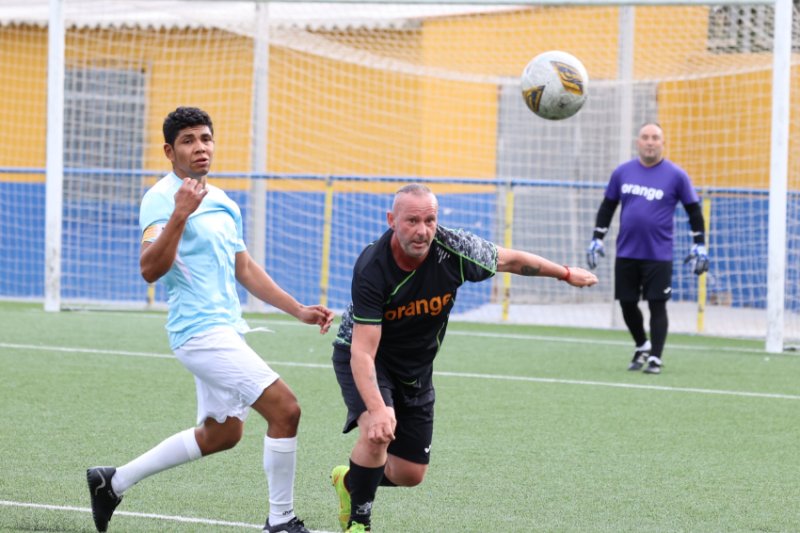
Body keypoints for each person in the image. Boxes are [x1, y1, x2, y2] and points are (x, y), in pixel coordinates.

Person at [86, 106, 335, 533]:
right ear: (169, 151)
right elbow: (149, 269)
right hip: (198, 334)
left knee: (223, 434)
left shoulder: (222, 201)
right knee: (286, 410)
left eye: (205, 138)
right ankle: (281, 521)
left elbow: (246, 269)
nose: (200, 147)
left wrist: (298, 309)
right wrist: (180, 213)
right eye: (188, 141)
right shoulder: (161, 199)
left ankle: (113, 481)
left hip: (226, 329)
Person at [328, 183, 598, 532]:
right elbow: (363, 350)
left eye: (430, 220)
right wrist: (378, 409)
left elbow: (511, 260)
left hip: (416, 367)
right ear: (392, 220)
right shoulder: (373, 267)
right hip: (367, 356)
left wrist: (564, 273)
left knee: (410, 474)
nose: (422, 230)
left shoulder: (453, 248)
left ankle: (350, 480)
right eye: (412, 220)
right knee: (379, 431)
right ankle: (358, 522)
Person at [586, 121, 709, 375]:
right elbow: (608, 206)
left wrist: (700, 244)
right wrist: (597, 238)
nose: (650, 142)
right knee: (627, 303)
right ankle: (642, 344)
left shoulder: (676, 175)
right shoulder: (622, 172)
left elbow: (693, 210)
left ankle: (655, 357)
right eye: (645, 137)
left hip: (659, 254)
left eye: (655, 137)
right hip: (626, 252)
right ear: (638, 142)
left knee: (657, 304)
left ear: (663, 143)